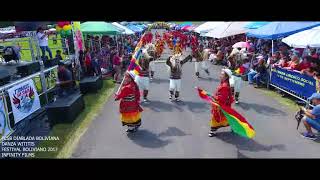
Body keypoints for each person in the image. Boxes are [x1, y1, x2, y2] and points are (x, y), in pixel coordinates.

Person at [209, 69, 235, 137]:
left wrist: (213, 96)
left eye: (222, 74)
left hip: (221, 105)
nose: (220, 76)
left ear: (226, 77)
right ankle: (233, 126)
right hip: (221, 104)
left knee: (217, 117)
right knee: (225, 116)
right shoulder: (224, 83)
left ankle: (213, 130)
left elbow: (222, 98)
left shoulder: (224, 86)